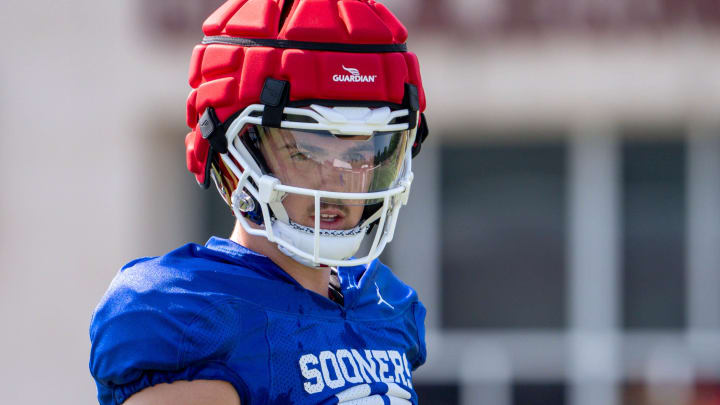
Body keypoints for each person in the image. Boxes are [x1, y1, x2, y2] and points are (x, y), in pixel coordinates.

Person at [89, 0, 430, 404]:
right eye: (305, 154)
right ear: (234, 152)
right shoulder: (195, 315)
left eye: (358, 156)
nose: (337, 177)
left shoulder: (385, 303)